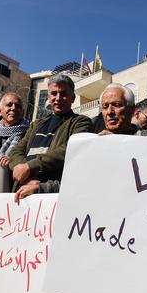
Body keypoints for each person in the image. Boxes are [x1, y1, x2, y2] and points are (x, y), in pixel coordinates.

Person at [8, 74, 92, 202]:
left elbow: (70, 150)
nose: (58, 98)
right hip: (22, 191)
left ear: (73, 98)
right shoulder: (36, 124)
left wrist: (30, 167)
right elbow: (16, 151)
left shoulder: (81, 122)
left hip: (51, 196)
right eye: (54, 93)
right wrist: (27, 176)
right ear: (48, 97)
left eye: (63, 93)